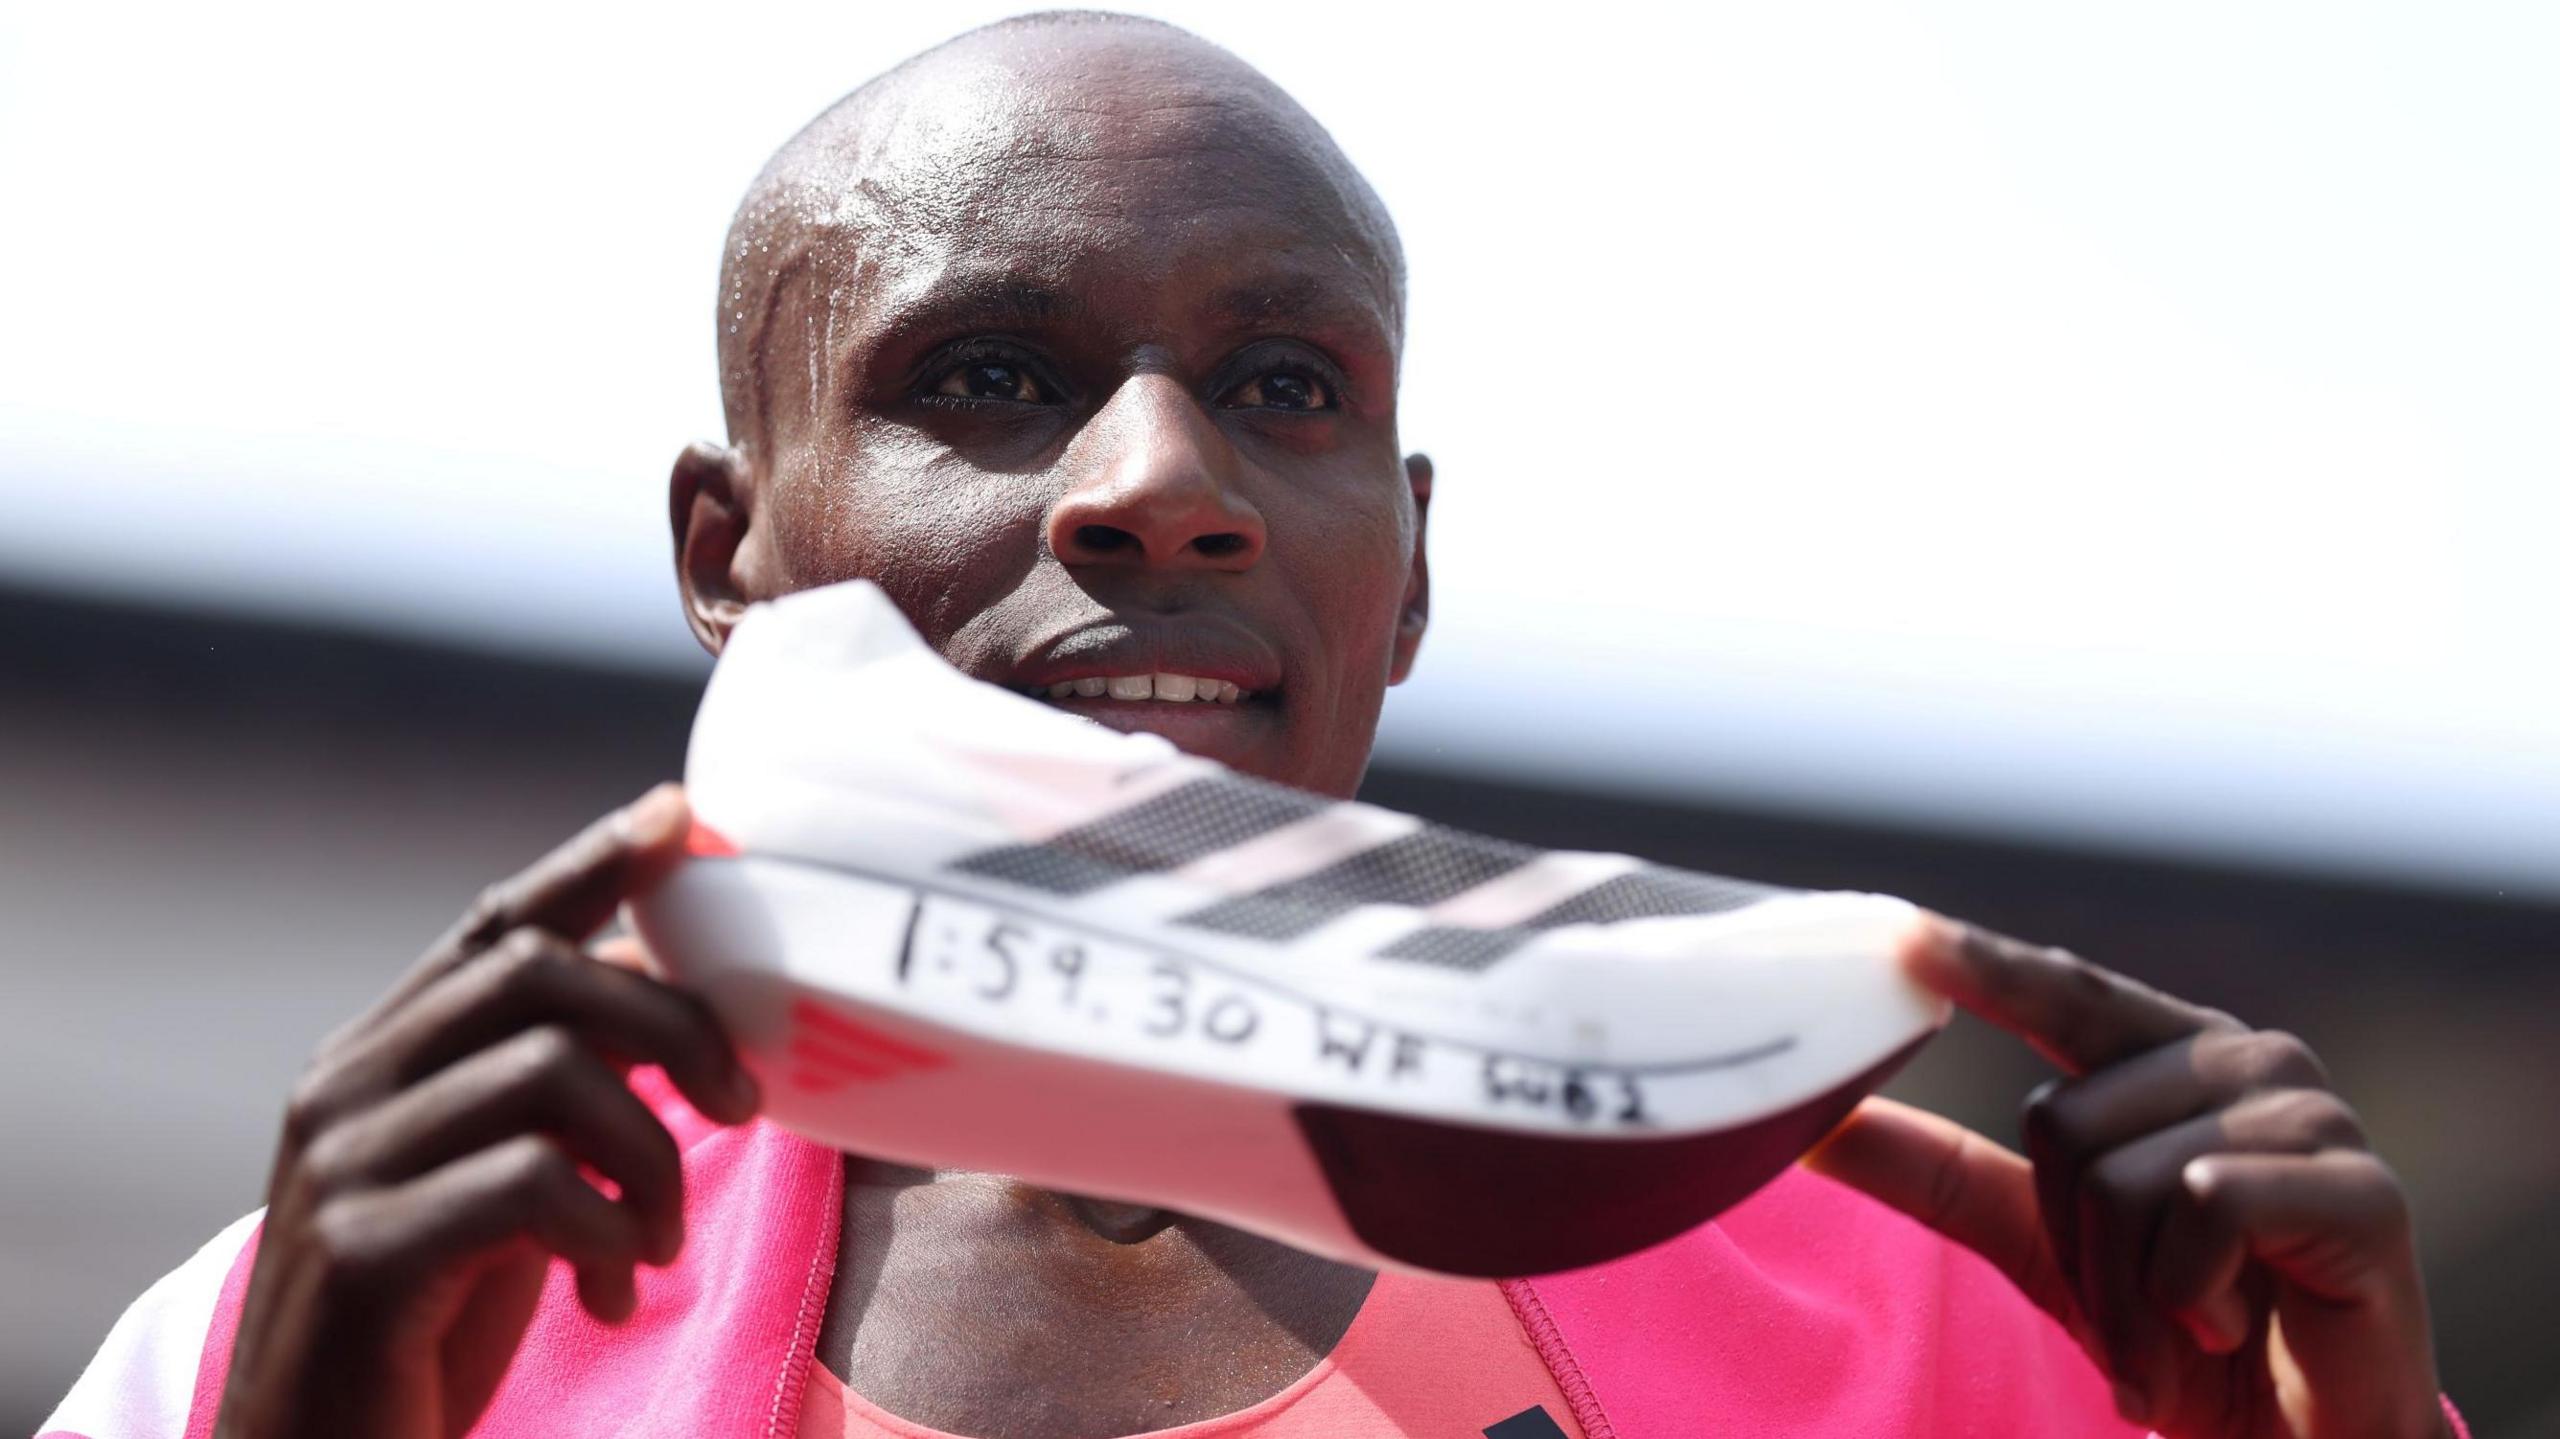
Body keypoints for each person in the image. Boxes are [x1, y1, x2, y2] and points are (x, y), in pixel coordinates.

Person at [44, 12, 2459, 1439]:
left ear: (1400, 569)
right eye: (987, 381)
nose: (1163, 490)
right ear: (726, 551)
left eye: (1279, 391)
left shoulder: (1963, 1331)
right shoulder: (344, 1323)